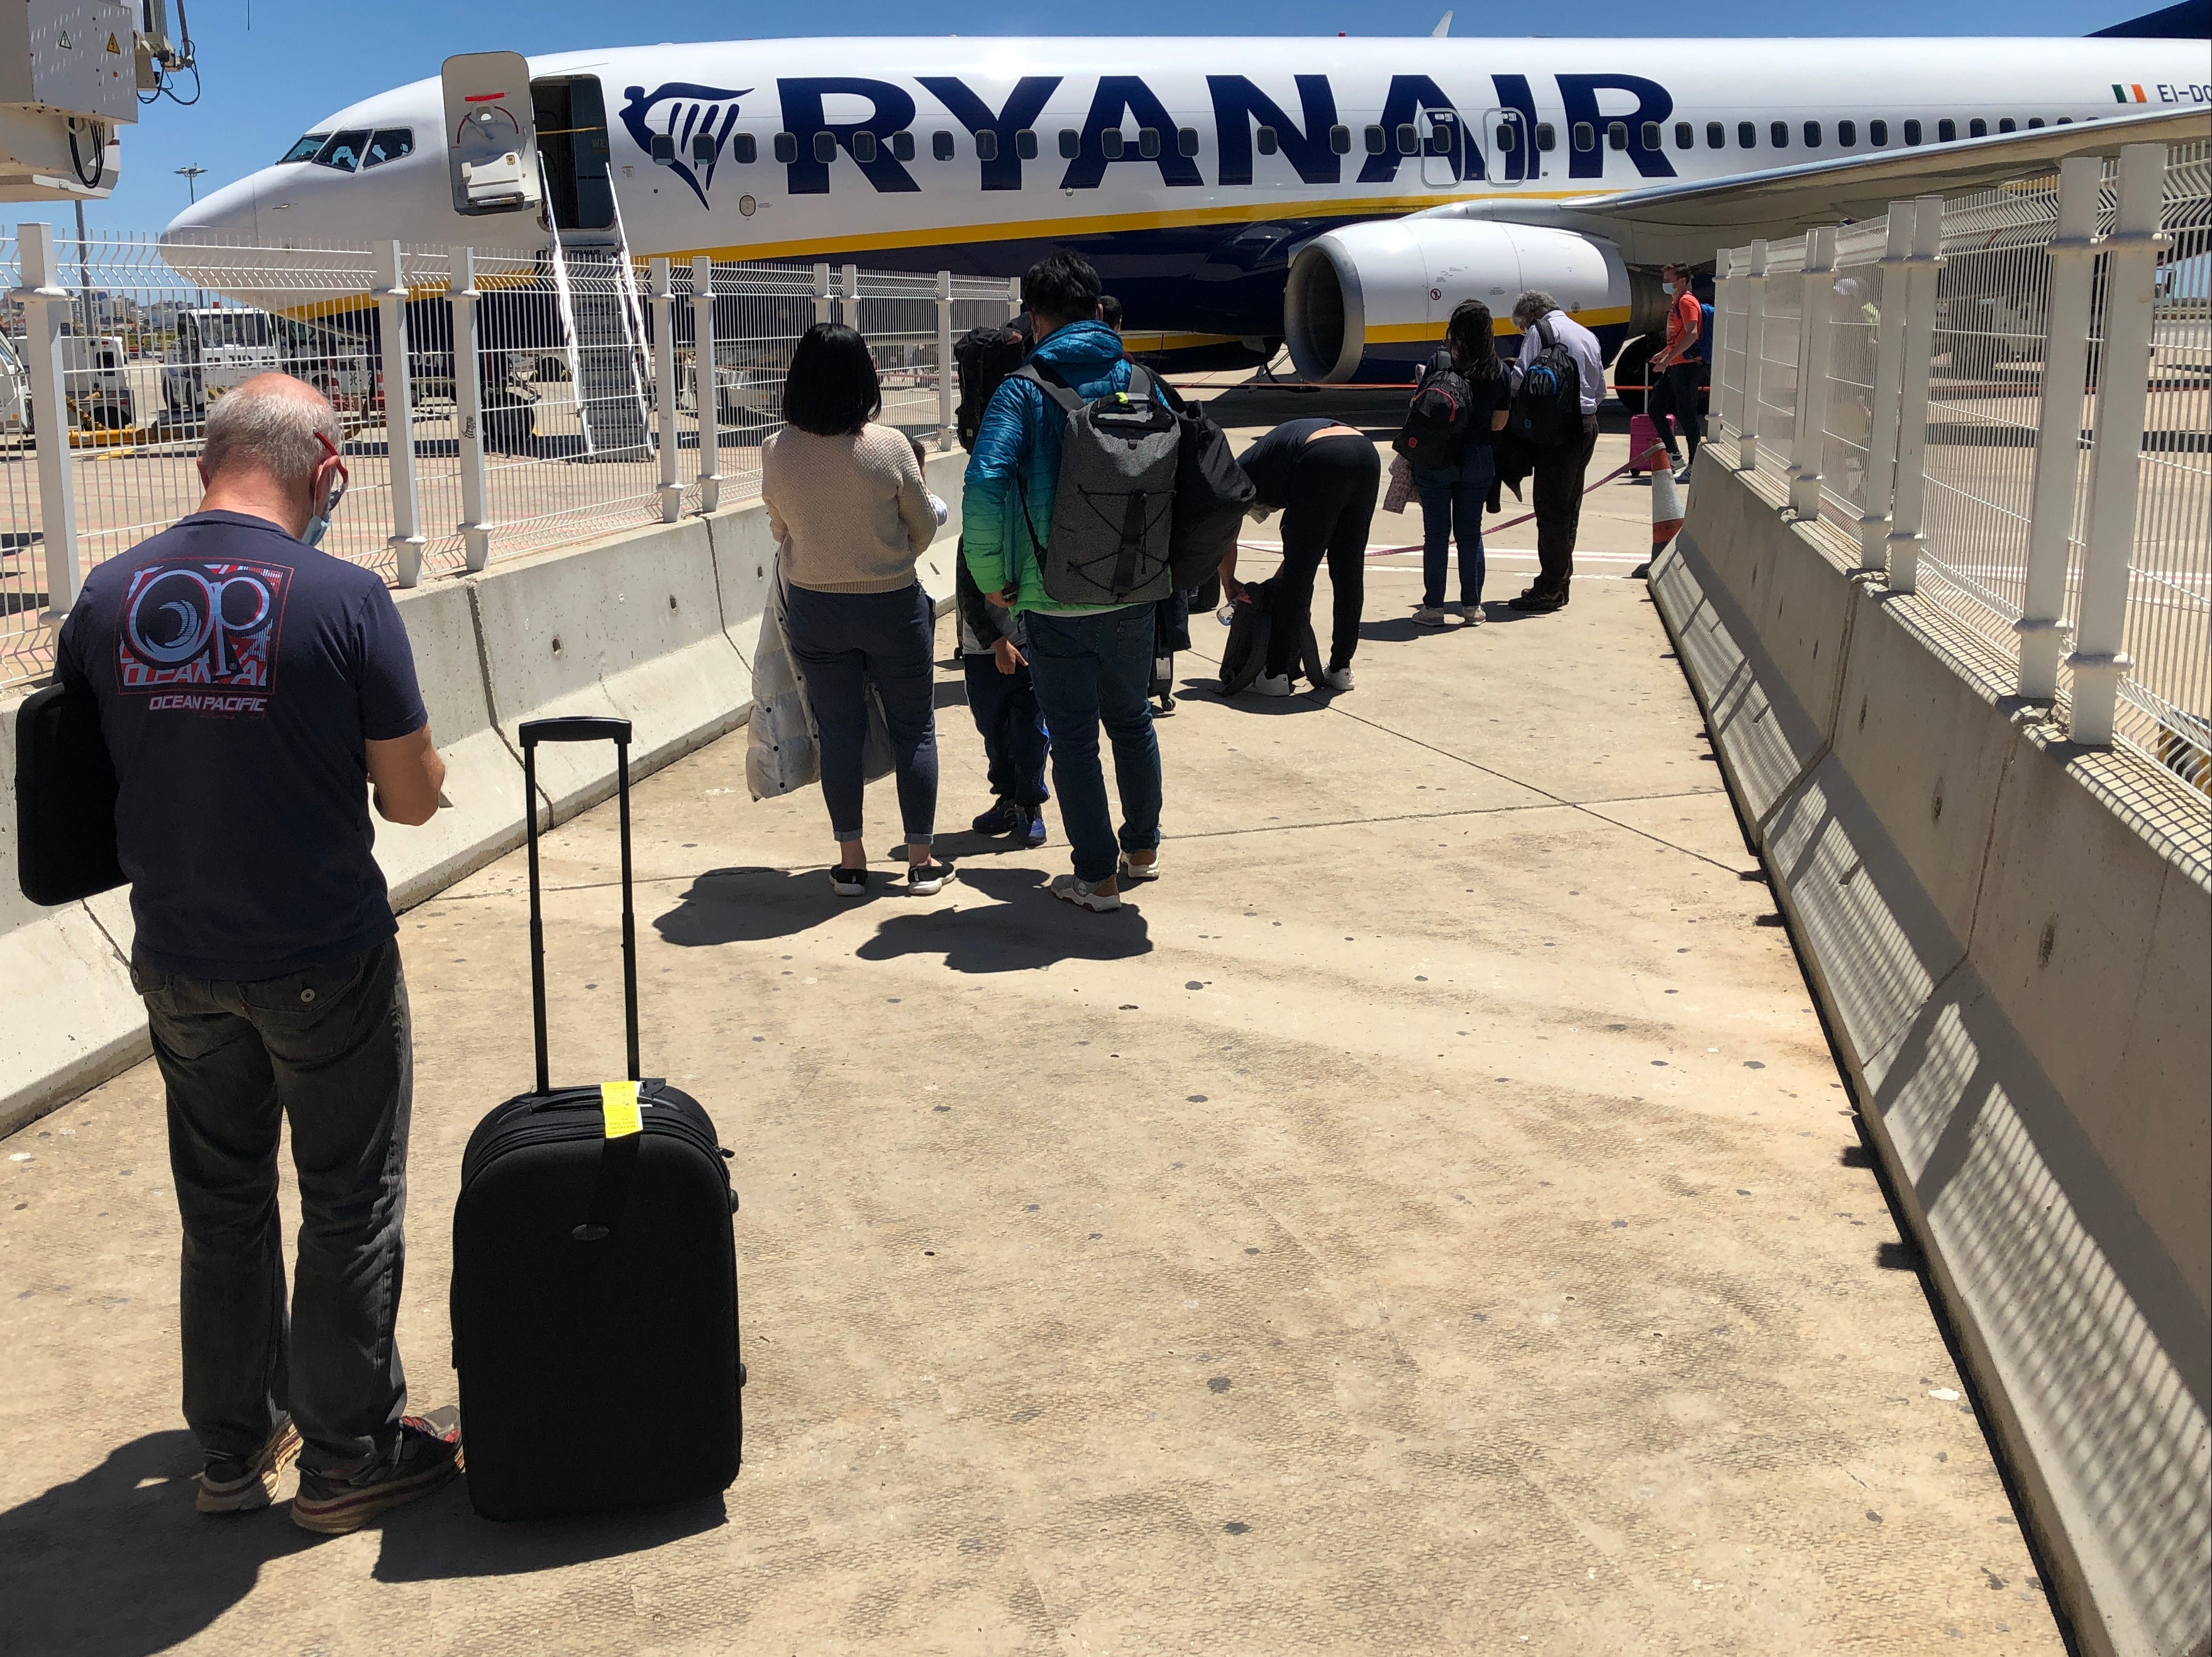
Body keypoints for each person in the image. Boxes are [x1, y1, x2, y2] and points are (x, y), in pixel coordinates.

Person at [54, 373, 458, 1534]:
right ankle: (345, 1456)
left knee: (221, 1203)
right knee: (347, 1197)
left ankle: (231, 1453)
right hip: (323, 951)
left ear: (202, 466)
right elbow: (412, 800)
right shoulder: (345, 597)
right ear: (327, 471)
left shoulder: (107, 595)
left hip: (178, 956)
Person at [963, 251, 1163, 914]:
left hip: (1051, 594)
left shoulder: (1021, 389)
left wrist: (993, 581)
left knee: (1074, 737)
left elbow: (987, 479)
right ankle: (1140, 850)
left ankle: (1095, 877)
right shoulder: (1140, 378)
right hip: (1133, 584)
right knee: (1131, 719)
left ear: (1035, 313)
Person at [763, 324, 949, 897]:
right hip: (892, 602)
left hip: (816, 607)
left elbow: (780, 529)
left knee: (839, 730)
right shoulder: (889, 446)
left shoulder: (776, 450)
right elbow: (921, 527)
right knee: (914, 726)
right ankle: (920, 861)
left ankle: (850, 861)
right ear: (865, 378)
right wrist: (886, 555)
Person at [1218, 419, 1378, 693]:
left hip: (1319, 456)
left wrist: (1229, 582)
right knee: (1349, 568)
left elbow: (1226, 536)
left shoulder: (1237, 480)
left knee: (1299, 578)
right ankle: (1342, 668)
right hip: (1365, 451)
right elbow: (1303, 546)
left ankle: (1276, 674)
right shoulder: (1266, 464)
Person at [1410, 299, 1512, 628]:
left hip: (1437, 458)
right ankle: (1472, 606)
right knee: (1471, 534)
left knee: (1436, 535)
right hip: (1478, 457)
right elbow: (1500, 424)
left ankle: (1433, 608)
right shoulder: (1500, 371)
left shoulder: (1440, 361)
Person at [1507, 289, 1606, 614]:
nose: (1524, 330)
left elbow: (1520, 379)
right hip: (1587, 424)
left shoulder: (1542, 333)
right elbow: (1601, 390)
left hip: (1556, 430)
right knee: (1569, 507)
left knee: (1550, 510)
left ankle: (1549, 586)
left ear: (1533, 313)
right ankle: (1561, 581)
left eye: (1523, 324)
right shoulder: (1587, 335)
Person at [952, 524, 1051, 849]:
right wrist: (997, 643)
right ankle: (1007, 800)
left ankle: (1029, 806)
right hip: (983, 650)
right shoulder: (975, 533)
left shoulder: (1033, 523)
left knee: (1029, 733)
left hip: (1029, 645)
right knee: (992, 730)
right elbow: (967, 596)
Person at [1647, 263, 1704, 484]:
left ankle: (1694, 464)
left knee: (1687, 414)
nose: (1665, 283)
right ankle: (1676, 456)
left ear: (1681, 281)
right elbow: (1677, 337)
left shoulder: (1687, 302)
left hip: (1687, 366)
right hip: (1675, 364)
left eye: (1668, 279)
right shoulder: (1675, 302)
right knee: (1656, 408)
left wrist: (1669, 359)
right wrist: (1663, 354)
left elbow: (1692, 335)